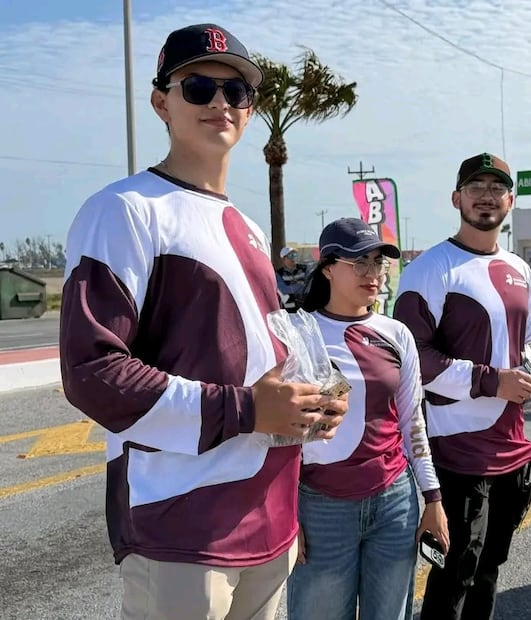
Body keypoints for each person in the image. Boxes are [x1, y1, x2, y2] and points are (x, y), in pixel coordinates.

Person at [58, 24, 348, 620]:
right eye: (198, 87)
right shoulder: (124, 210)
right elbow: (91, 371)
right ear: (161, 102)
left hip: (269, 514)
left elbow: (262, 359)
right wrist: (245, 409)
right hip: (182, 525)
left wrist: (305, 406)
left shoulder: (246, 224)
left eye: (236, 92)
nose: (220, 102)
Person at [393, 153, 531, 620]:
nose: (486, 195)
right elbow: (413, 358)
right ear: (456, 197)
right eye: (475, 185)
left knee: (489, 571)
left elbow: (530, 336)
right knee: (452, 574)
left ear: (510, 200)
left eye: (496, 187)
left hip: (514, 449)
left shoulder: (518, 268)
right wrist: (491, 381)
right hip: (455, 452)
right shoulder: (430, 268)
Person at [286, 217, 450, 620]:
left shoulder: (397, 333)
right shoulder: (295, 334)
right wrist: (285, 512)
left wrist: (432, 498)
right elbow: (277, 437)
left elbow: (413, 422)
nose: (372, 273)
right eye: (359, 262)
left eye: (378, 262)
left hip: (394, 502)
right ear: (327, 267)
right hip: (320, 507)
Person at [276, 247, 309, 312]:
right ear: (283, 259)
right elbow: (284, 290)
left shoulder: (304, 268)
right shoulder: (279, 274)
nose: (293, 258)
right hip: (290, 311)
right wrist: (301, 286)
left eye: (295, 255)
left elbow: (309, 287)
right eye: (291, 256)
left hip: (306, 309)